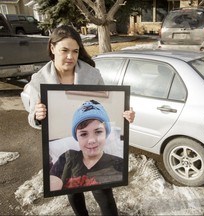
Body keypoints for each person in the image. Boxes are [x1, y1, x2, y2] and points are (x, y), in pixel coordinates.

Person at [24, 25, 135, 216]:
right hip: (73, 151)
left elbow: (108, 106)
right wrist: (37, 115)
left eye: (75, 51)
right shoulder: (39, 80)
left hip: (95, 152)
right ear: (52, 48)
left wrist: (124, 114)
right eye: (64, 50)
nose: (70, 57)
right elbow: (32, 115)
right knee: (73, 190)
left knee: (103, 193)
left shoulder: (92, 74)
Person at [50, 100, 123, 190]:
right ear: (77, 137)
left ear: (106, 134)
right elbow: (52, 185)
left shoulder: (119, 164)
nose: (91, 140)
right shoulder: (67, 157)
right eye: (84, 134)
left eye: (98, 132)